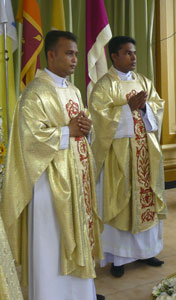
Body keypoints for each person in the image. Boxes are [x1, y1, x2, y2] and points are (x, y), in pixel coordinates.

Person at [0, 30, 103, 299]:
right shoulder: (35, 93)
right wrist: (68, 131)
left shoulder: (73, 90)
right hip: (49, 184)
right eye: (69, 53)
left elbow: (79, 129)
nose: (74, 59)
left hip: (76, 180)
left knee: (77, 237)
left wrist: (86, 128)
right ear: (51, 55)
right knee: (51, 243)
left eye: (76, 54)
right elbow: (29, 138)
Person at [89, 36, 166, 278]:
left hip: (145, 153)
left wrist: (144, 108)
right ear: (114, 56)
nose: (133, 57)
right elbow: (98, 119)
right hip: (119, 158)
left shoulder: (143, 81)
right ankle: (118, 258)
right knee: (120, 202)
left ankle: (147, 252)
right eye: (127, 53)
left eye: (134, 53)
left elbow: (157, 107)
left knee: (146, 198)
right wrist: (126, 109)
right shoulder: (104, 85)